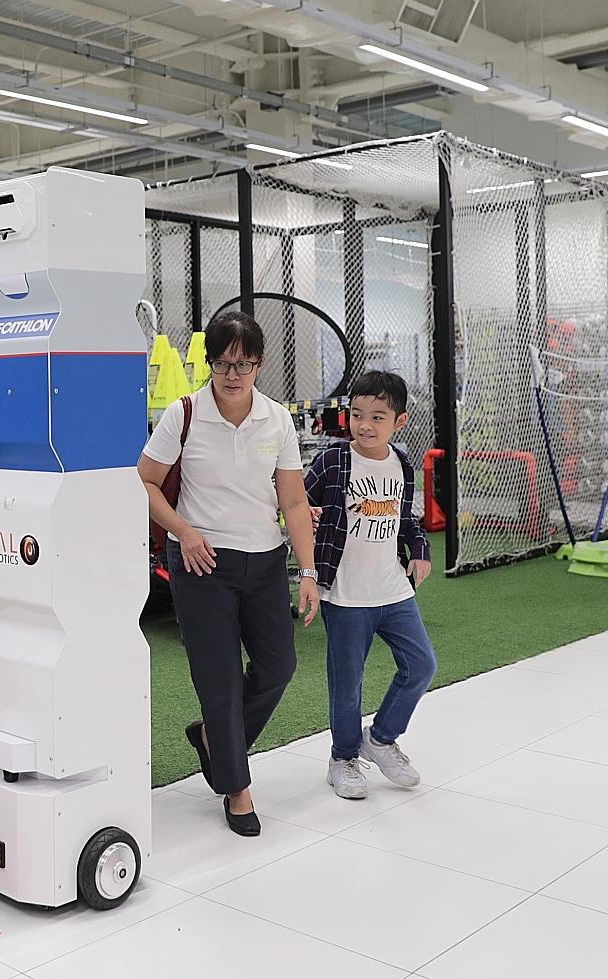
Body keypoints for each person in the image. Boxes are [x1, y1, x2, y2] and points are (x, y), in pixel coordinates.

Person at [138, 311, 319, 837]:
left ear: (259, 364)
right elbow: (145, 482)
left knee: (278, 666)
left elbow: (292, 497)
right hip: (201, 564)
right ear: (211, 363)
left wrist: (306, 572)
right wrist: (185, 532)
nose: (233, 373)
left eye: (244, 363)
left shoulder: (277, 419)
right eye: (223, 362)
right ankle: (237, 790)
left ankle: (216, 739)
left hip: (263, 562)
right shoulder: (184, 414)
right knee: (218, 682)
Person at [304, 370, 437, 800]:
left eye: (378, 417)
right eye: (357, 414)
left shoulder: (401, 463)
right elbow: (295, 497)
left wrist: (420, 549)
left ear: (398, 422)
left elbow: (407, 519)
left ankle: (379, 740)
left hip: (394, 590)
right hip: (344, 594)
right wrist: (304, 514)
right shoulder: (333, 460)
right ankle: (342, 758)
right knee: (348, 683)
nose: (365, 425)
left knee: (421, 665)